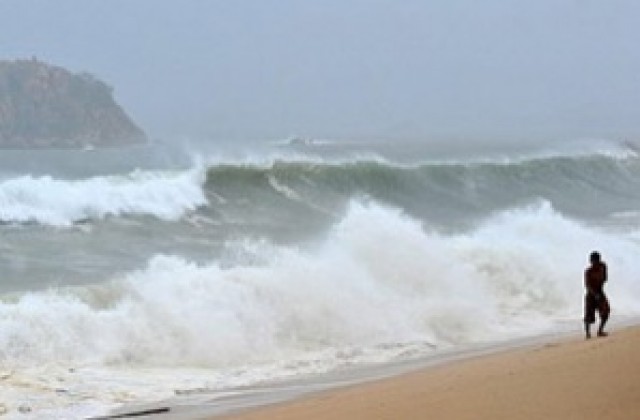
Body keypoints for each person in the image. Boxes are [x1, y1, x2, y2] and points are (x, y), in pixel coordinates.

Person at [583, 251, 610, 339]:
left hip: (600, 292)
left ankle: (600, 331)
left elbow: (605, 278)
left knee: (606, 311)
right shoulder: (588, 272)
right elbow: (587, 285)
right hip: (591, 294)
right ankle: (587, 334)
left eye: (596, 261)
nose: (594, 263)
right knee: (588, 316)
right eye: (593, 261)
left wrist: (599, 292)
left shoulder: (603, 266)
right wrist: (595, 294)